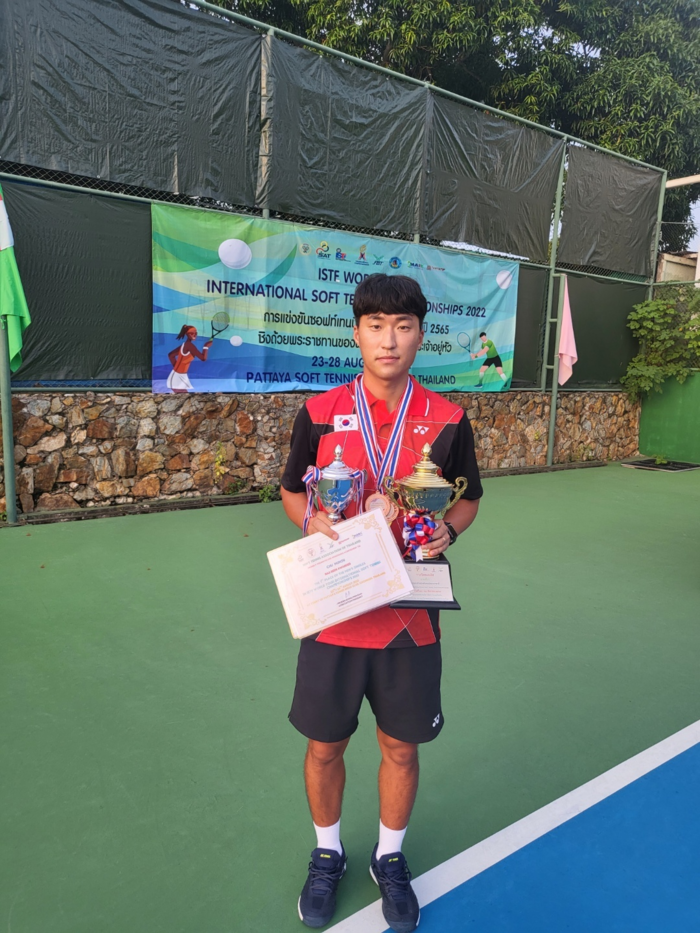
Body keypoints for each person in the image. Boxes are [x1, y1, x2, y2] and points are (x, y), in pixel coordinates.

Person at [280, 274, 483, 932]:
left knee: (401, 748)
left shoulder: (449, 419)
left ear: (420, 334)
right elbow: (291, 489)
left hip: (409, 618)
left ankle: (388, 857)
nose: (389, 339)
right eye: (376, 325)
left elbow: (468, 499)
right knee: (324, 747)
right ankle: (328, 852)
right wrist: (312, 519)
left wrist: (449, 530)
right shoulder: (318, 412)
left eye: (402, 325)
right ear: (357, 333)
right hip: (334, 609)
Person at [166, 325, 212, 393]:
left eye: (196, 333)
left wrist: (177, 368)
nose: (194, 335)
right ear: (187, 334)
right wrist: (206, 346)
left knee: (184, 396)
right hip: (177, 377)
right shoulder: (189, 346)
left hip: (178, 375)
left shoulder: (185, 345)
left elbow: (171, 355)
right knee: (184, 396)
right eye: (192, 333)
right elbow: (203, 358)